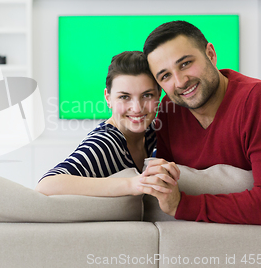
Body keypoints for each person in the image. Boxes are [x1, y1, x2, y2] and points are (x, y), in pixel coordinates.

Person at [140, 20, 261, 226]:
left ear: (210, 55)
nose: (180, 82)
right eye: (166, 75)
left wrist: (183, 206)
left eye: (186, 63)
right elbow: (166, 187)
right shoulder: (170, 109)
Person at [35, 51, 179, 197]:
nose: (137, 108)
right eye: (124, 97)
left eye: (147, 95)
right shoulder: (105, 143)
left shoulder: (152, 131)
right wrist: (133, 183)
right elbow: (46, 185)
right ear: (108, 98)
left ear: (159, 94)